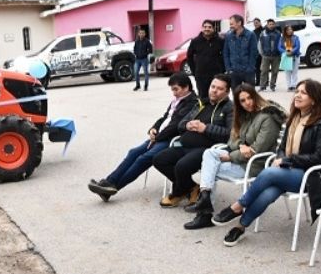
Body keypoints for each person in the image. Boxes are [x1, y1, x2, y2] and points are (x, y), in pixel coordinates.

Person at [211, 79, 321, 246]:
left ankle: (238, 206)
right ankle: (240, 227)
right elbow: (282, 147)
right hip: (289, 171)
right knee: (269, 193)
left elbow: (319, 156)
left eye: (303, 93)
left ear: (314, 99)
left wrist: (287, 160)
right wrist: (280, 158)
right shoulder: (295, 118)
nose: (297, 95)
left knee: (269, 173)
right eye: (297, 91)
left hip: (312, 176)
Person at [183, 84, 285, 230]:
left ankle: (204, 213)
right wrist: (242, 145)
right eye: (242, 101)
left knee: (210, 170)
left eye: (249, 98)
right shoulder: (246, 115)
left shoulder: (268, 118)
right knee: (209, 153)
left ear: (255, 96)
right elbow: (232, 140)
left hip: (254, 165)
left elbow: (256, 150)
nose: (247, 103)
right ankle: (205, 198)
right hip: (241, 159)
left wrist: (230, 156)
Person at [89, 72, 195, 200]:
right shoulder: (177, 100)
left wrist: (157, 137)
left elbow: (175, 126)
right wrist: (153, 129)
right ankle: (108, 182)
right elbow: (164, 117)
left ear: (186, 88)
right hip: (160, 136)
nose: (173, 93)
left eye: (176, 89)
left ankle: (112, 188)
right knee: (133, 152)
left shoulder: (192, 103)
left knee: (144, 158)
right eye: (172, 89)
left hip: (172, 140)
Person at [153, 74, 233, 208]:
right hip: (183, 144)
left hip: (206, 148)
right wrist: (187, 125)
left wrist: (205, 128)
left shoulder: (229, 108)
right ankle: (191, 187)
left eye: (219, 88)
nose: (214, 90)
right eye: (213, 87)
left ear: (227, 91)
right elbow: (181, 124)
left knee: (181, 166)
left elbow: (229, 134)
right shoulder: (202, 103)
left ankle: (178, 192)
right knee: (159, 159)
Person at [186, 20, 225, 99]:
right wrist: (194, 71)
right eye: (205, 27)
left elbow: (225, 55)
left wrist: (222, 69)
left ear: (214, 29)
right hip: (201, 75)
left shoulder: (220, 41)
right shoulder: (195, 41)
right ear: (202, 28)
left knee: (217, 96)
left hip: (216, 75)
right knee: (203, 97)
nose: (207, 29)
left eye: (209, 27)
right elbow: (189, 56)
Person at [223, 14, 259, 89]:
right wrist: (228, 69)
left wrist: (250, 68)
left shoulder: (250, 35)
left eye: (232, 24)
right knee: (236, 95)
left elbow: (254, 53)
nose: (230, 26)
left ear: (239, 23)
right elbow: (226, 53)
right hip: (234, 71)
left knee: (250, 94)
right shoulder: (228, 36)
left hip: (248, 71)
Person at [259, 19, 281, 92]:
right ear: (267, 25)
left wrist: (280, 52)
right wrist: (262, 53)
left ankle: (272, 85)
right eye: (270, 24)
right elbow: (260, 44)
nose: (271, 25)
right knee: (264, 71)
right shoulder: (263, 33)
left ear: (274, 25)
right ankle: (262, 86)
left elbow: (280, 44)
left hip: (276, 55)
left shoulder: (278, 33)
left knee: (275, 71)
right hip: (266, 55)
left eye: (272, 24)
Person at [279, 25, 301, 91]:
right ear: (285, 31)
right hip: (286, 57)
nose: (290, 31)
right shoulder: (282, 38)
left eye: (291, 29)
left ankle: (294, 85)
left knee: (294, 72)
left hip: (295, 56)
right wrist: (285, 52)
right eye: (288, 30)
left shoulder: (296, 37)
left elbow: (297, 46)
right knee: (287, 72)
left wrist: (292, 51)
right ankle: (289, 86)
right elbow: (279, 47)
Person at [252, 18, 264, 86]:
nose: (255, 24)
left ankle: (265, 81)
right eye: (254, 23)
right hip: (256, 52)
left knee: (264, 68)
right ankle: (258, 81)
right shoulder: (253, 32)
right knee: (257, 68)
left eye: (256, 22)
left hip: (263, 52)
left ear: (260, 22)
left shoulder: (264, 31)